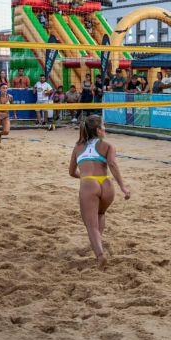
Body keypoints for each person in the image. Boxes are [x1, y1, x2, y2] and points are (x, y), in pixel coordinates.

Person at [68, 115, 130, 270]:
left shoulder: (78, 147)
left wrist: (85, 178)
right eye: (103, 125)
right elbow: (112, 164)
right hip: (107, 183)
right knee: (100, 214)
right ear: (98, 129)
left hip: (89, 183)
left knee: (91, 226)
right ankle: (98, 245)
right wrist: (123, 187)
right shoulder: (107, 145)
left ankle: (100, 256)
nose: (105, 128)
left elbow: (71, 172)